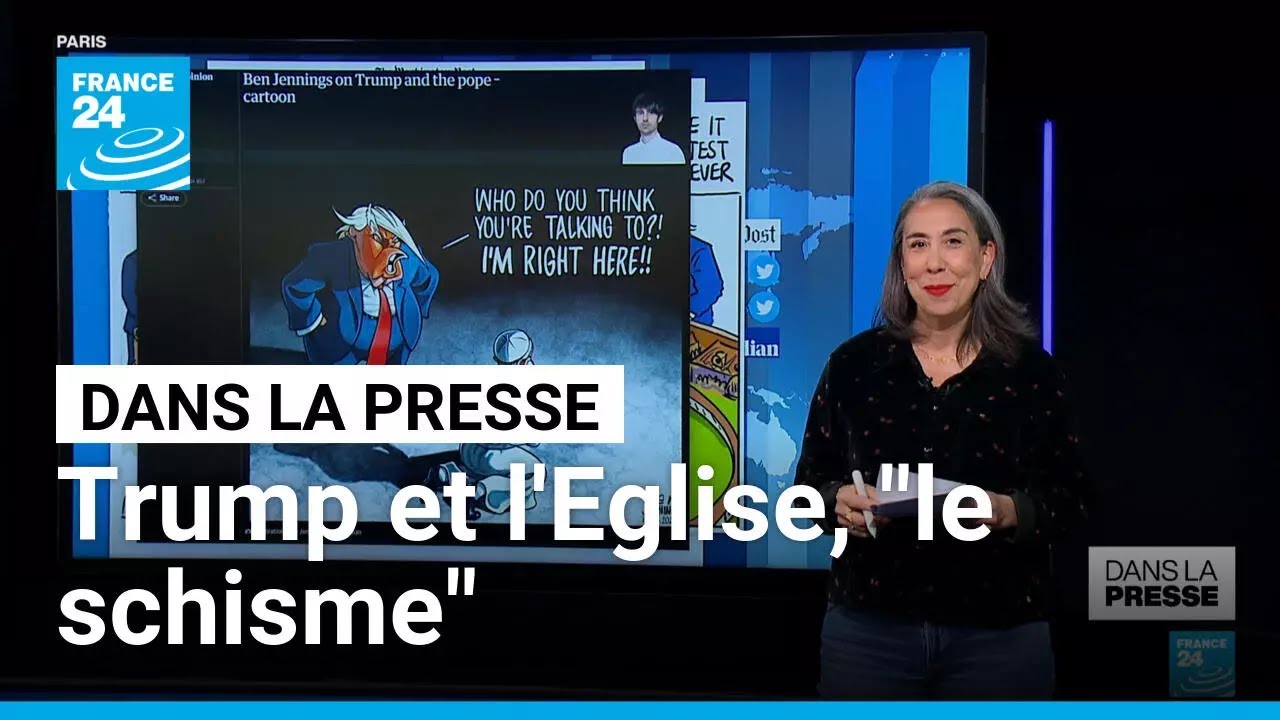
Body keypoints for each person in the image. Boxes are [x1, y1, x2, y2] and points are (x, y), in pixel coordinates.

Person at [794, 181, 1090, 699]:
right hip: (869, 633)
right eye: (918, 244)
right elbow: (807, 490)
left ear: (985, 258)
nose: (934, 263)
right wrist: (836, 502)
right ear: (901, 264)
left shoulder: (1032, 374)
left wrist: (1007, 511)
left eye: (953, 242)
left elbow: (1074, 501)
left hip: (1000, 635)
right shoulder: (852, 366)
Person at [282, 204, 440, 365]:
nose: (390, 250)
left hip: (397, 331)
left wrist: (416, 308)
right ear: (354, 233)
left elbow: (429, 277)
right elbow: (295, 285)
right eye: (378, 239)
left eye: (394, 241)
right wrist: (313, 320)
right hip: (343, 337)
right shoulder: (332, 256)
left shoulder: (407, 257)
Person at [622, 92, 686, 166]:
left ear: (660, 118)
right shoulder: (629, 153)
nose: (645, 118)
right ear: (635, 118)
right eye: (640, 113)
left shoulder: (673, 151)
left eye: (651, 112)